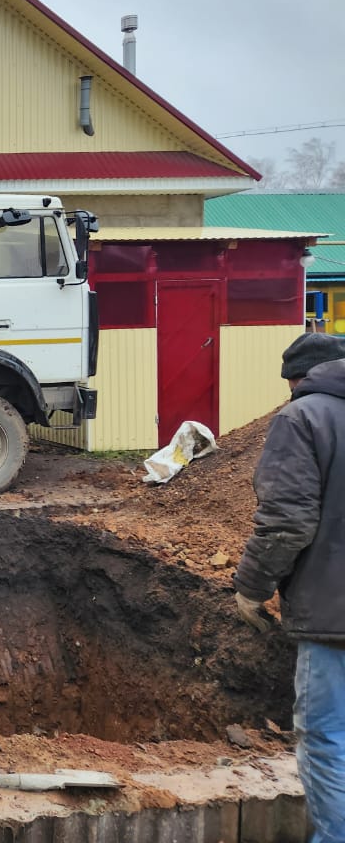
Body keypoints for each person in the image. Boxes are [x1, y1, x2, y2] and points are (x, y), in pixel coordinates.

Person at [235, 331, 345, 842]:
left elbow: (287, 523)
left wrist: (252, 587)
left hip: (332, 618)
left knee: (327, 737)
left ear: (298, 380)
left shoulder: (302, 417)